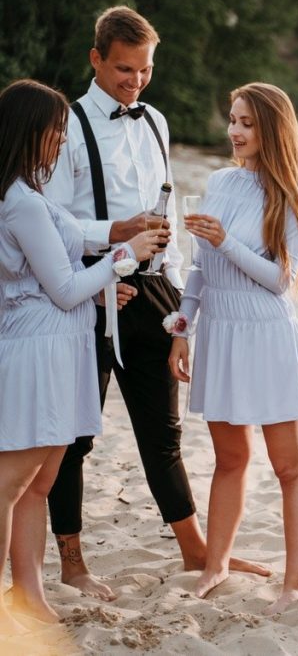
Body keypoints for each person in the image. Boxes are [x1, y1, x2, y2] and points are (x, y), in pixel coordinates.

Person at [42, 5, 267, 601]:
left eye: (144, 70)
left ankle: (196, 550)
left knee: (162, 431)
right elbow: (54, 220)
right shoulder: (66, 125)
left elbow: (164, 212)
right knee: (74, 435)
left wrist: (176, 302)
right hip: (87, 291)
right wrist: (114, 232)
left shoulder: (157, 122)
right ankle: (71, 560)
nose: (135, 82)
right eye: (123, 70)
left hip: (152, 288)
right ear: (95, 59)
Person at [0, 79, 165, 633]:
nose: (62, 141)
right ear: (33, 133)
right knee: (9, 482)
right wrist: (125, 258)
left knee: (39, 485)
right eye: (56, 132)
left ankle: (28, 593)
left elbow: (67, 279)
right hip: (40, 348)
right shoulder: (20, 203)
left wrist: (100, 286)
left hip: (63, 341)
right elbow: (62, 289)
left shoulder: (37, 193)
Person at [167, 83, 298, 615]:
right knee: (229, 459)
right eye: (233, 119)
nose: (235, 131)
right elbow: (197, 267)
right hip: (221, 333)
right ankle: (216, 564)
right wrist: (184, 324)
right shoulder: (218, 181)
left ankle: (295, 580)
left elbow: (281, 279)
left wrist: (224, 241)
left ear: (272, 130)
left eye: (247, 123)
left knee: (290, 466)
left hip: (267, 335)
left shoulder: (291, 193)